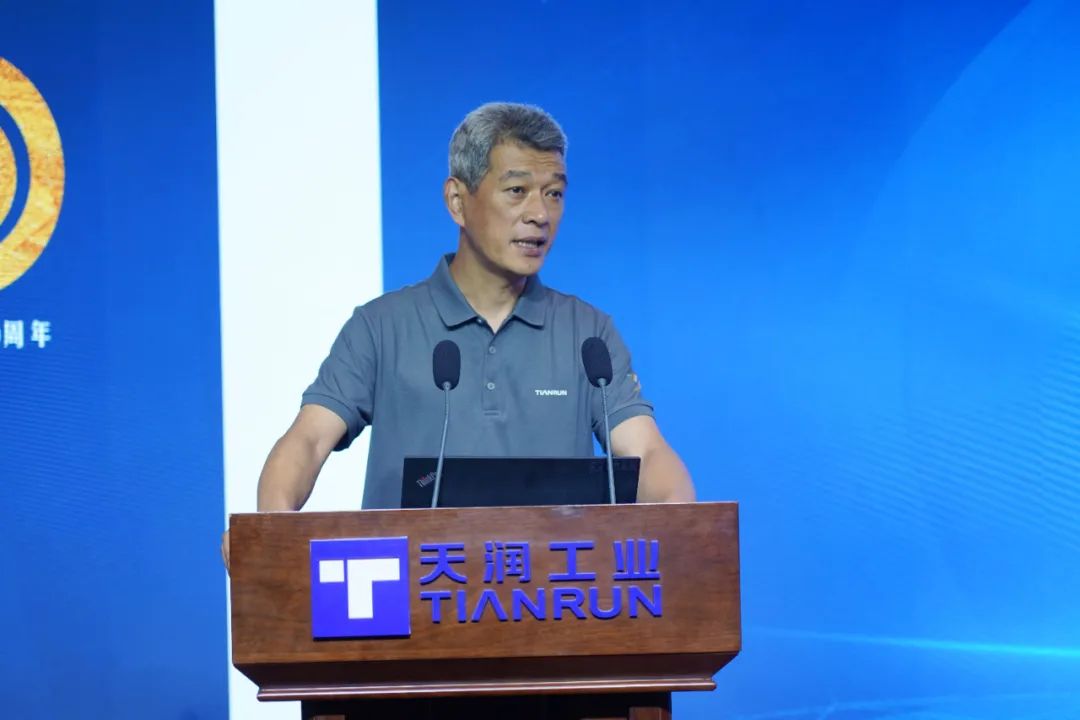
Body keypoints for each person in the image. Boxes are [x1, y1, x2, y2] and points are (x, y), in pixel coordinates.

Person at [222, 102, 693, 568]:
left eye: (554, 193)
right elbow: (308, 440)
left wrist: (685, 527)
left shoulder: (588, 334)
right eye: (517, 191)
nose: (540, 214)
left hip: (551, 599)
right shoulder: (381, 326)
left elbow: (647, 451)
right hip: (408, 596)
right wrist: (271, 531)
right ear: (457, 201)